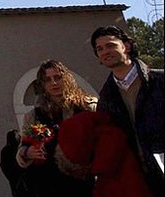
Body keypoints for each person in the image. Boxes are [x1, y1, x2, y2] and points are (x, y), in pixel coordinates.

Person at [91, 25, 164, 194]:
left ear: (126, 46)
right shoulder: (105, 99)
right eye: (99, 49)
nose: (105, 52)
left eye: (110, 45)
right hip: (139, 180)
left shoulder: (160, 81)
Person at [14, 59, 95, 196]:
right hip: (51, 184)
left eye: (57, 77)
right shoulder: (34, 115)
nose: (54, 83)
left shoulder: (87, 107)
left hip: (86, 182)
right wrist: (27, 152)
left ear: (66, 79)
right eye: (48, 80)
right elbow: (23, 147)